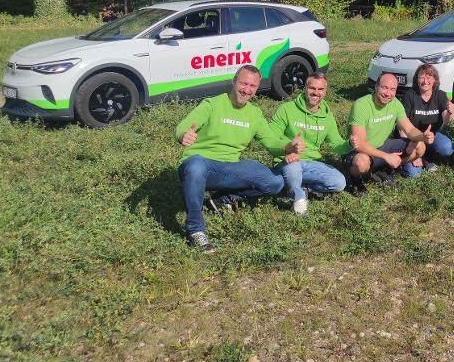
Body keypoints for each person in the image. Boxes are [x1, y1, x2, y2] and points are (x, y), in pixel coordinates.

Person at [174, 65, 285, 253]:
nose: (246, 89)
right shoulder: (212, 104)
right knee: (195, 166)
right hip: (203, 165)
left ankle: (222, 199)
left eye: (252, 86)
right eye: (243, 83)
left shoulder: (255, 114)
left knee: (275, 182)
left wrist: (288, 147)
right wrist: (183, 135)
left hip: (230, 168)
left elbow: (271, 141)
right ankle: (196, 230)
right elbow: (183, 126)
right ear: (234, 82)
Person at [268, 72, 346, 215]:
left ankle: (298, 186)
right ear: (305, 88)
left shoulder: (327, 116)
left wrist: (350, 145)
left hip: (312, 164)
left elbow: (335, 143)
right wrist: (288, 148)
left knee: (339, 182)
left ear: (325, 92)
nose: (316, 92)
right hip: (289, 161)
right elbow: (270, 138)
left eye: (320, 89)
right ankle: (298, 200)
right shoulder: (286, 109)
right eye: (312, 88)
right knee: (293, 168)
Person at [344, 72, 433, 187]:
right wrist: (386, 156)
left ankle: (387, 167)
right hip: (358, 151)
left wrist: (422, 136)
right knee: (361, 163)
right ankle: (355, 178)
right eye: (384, 88)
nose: (388, 93)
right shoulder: (361, 105)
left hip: (382, 145)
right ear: (376, 87)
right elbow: (359, 144)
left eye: (392, 89)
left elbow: (409, 129)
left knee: (420, 146)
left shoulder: (395, 104)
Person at [398, 64, 454, 172]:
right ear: (417, 79)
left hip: (431, 135)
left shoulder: (441, 95)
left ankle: (426, 156)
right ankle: (410, 157)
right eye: (422, 77)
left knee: (447, 148)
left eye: (429, 77)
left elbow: (447, 120)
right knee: (414, 173)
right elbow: (402, 126)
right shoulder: (409, 95)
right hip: (412, 138)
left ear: (435, 80)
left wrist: (450, 112)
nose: (425, 81)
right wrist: (412, 154)